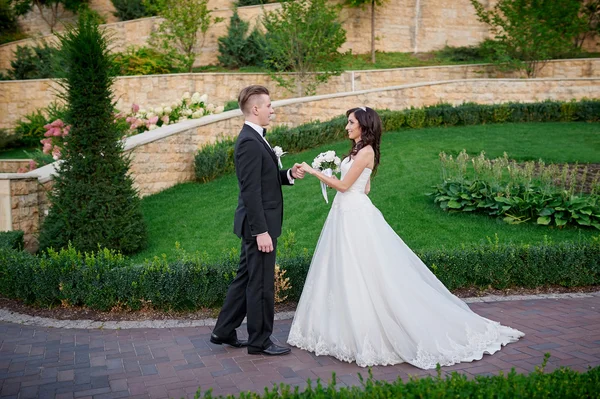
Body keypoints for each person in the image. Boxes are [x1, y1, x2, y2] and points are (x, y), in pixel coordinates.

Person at [287, 106, 524, 369]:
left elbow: (345, 187)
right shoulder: (358, 151)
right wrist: (339, 175)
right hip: (347, 212)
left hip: (353, 213)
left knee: (363, 269)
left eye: (350, 122)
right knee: (344, 267)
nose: (346, 127)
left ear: (364, 126)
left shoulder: (366, 152)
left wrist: (314, 171)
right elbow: (365, 187)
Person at [211, 85, 304, 356]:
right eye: (269, 106)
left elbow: (264, 180)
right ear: (255, 109)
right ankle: (260, 341)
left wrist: (288, 174)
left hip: (257, 224)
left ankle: (223, 330)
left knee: (245, 278)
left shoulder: (255, 138)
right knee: (261, 283)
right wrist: (261, 231)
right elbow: (250, 191)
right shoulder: (250, 142)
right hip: (259, 227)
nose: (272, 110)